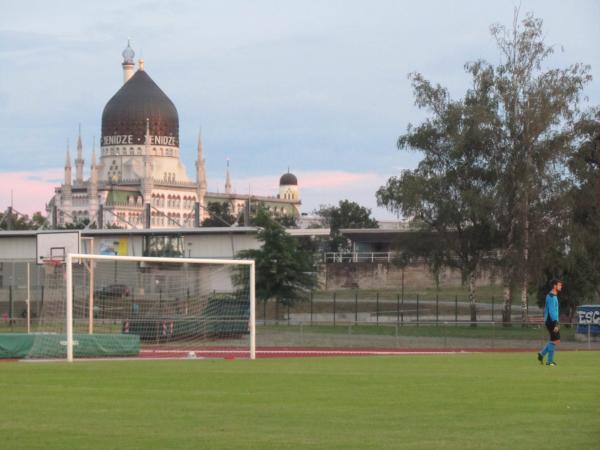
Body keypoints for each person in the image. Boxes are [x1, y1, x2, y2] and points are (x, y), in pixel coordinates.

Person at [537, 279, 563, 366]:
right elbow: (552, 311)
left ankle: (544, 356)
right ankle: (548, 360)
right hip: (552, 321)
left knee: (554, 340)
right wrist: (556, 323)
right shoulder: (552, 296)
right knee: (555, 340)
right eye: (559, 285)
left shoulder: (551, 295)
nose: (561, 287)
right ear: (555, 286)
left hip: (550, 321)